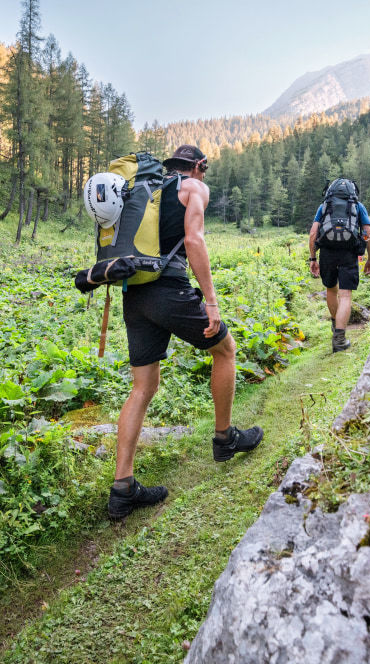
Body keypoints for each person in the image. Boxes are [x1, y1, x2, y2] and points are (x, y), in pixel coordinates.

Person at [107, 144, 263, 520]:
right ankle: (225, 438)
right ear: (197, 166)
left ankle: (122, 489)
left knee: (143, 387)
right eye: (204, 171)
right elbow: (194, 240)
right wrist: (210, 299)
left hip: (135, 295)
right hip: (169, 291)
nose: (204, 177)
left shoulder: (145, 193)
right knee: (225, 350)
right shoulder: (193, 188)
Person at [308, 180, 370, 352]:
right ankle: (339, 338)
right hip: (349, 253)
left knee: (331, 289)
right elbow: (369, 235)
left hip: (327, 252)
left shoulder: (324, 206)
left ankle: (335, 325)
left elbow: (313, 233)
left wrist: (313, 258)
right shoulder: (358, 206)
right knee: (345, 296)